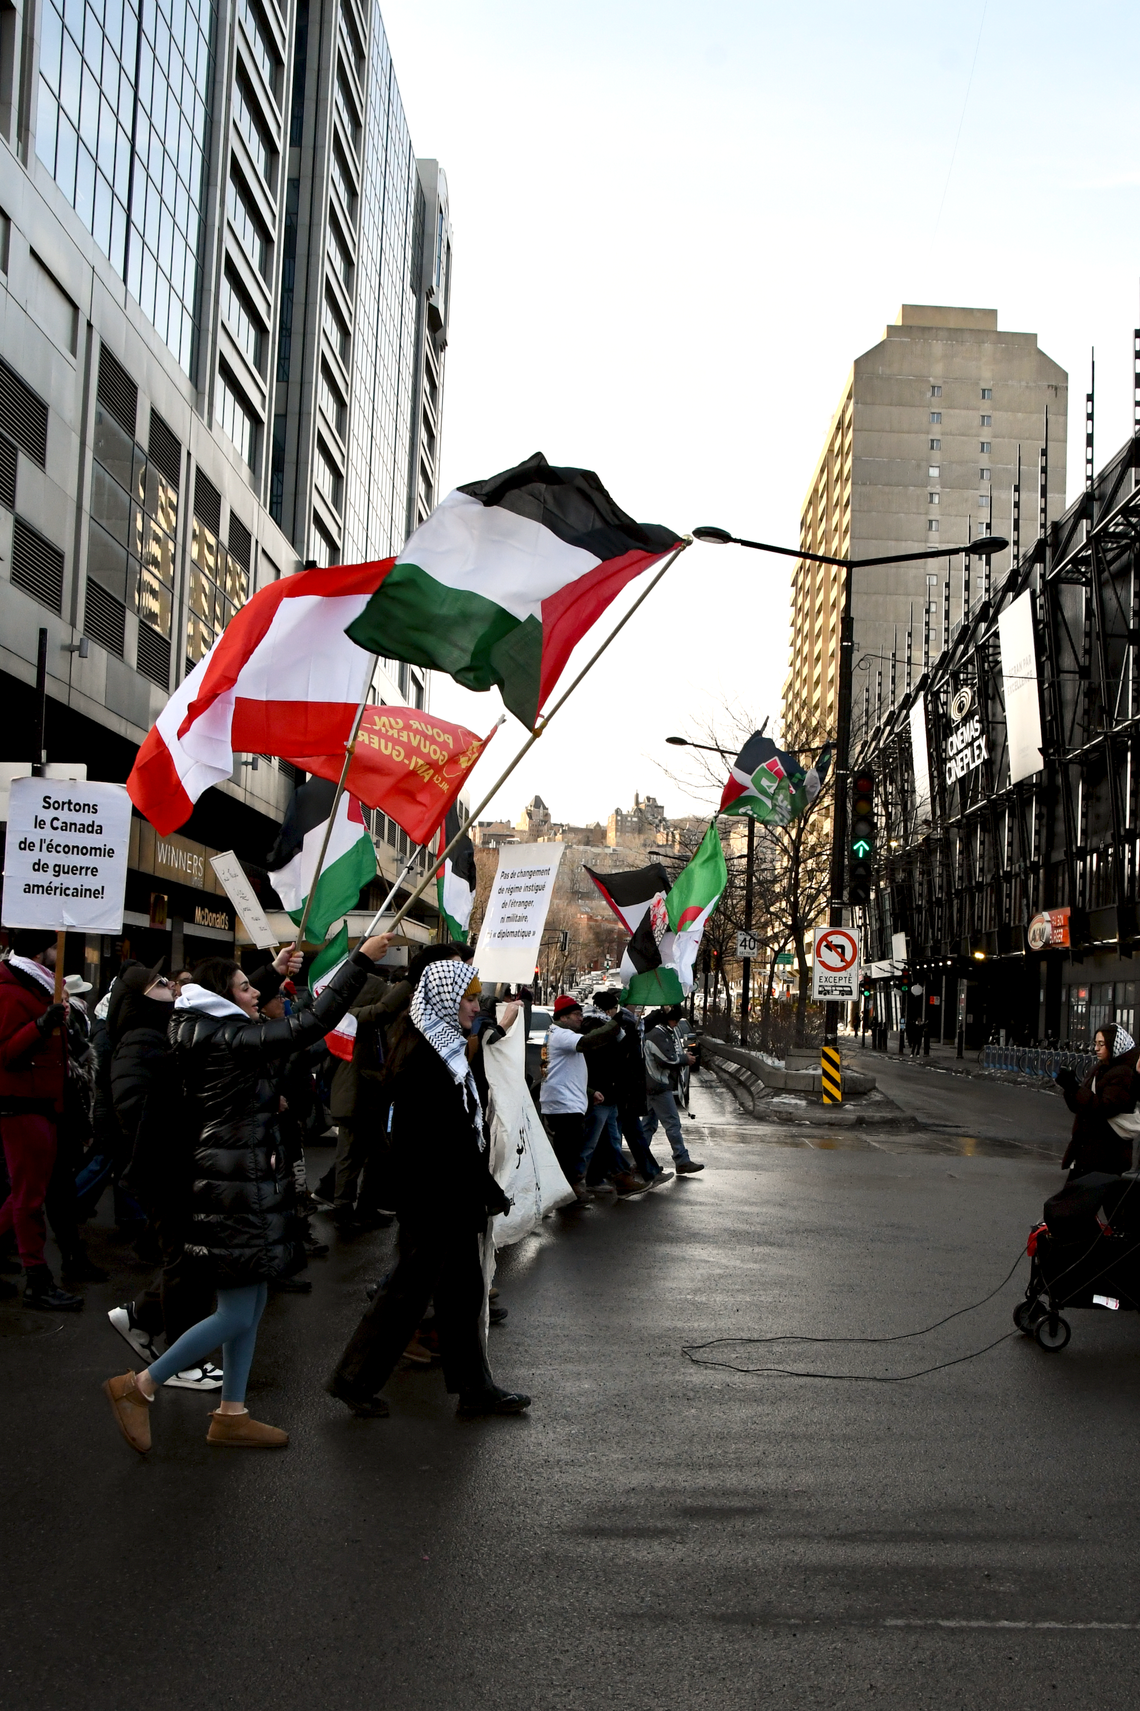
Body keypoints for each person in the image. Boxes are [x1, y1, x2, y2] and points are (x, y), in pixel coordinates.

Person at [101, 933, 392, 1455]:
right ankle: (138, 1387)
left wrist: (269, 971)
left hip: (240, 1181)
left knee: (251, 1305)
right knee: (236, 1310)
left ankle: (231, 1412)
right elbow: (311, 1024)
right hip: (228, 1190)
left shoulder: (212, 1027)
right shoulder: (221, 1038)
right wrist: (358, 963)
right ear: (223, 997)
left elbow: (237, 1001)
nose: (254, 993)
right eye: (244, 987)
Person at [325, 960, 529, 1420]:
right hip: (435, 1196)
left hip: (446, 1193)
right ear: (442, 999)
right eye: (469, 998)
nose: (475, 1007)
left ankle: (475, 1387)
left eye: (476, 999)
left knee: (461, 1292)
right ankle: (353, 1378)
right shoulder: (426, 1057)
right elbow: (442, 1138)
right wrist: (483, 1185)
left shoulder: (442, 1048)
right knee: (409, 1293)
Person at [105, 961, 222, 1390]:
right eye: (157, 985)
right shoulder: (139, 1040)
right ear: (137, 999)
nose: (169, 987)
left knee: (190, 1260)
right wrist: (172, 1141)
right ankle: (180, 1361)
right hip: (165, 1168)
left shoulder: (162, 1033)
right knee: (184, 1262)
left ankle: (141, 1316)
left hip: (175, 1164)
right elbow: (134, 1106)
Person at [0, 931, 82, 1310]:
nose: (59, 954)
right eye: (55, 947)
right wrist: (40, 1025)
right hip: (21, 1104)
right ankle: (37, 1278)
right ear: (41, 950)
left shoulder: (39, 988)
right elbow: (6, 1054)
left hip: (42, 1102)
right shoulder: (12, 991)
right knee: (28, 1197)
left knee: (24, 1194)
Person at [538, 995, 635, 1200]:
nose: (581, 1018)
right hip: (563, 1105)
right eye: (576, 1014)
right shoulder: (562, 1034)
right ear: (563, 1017)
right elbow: (589, 1041)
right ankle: (567, 1192)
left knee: (570, 1149)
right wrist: (617, 1021)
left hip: (564, 1102)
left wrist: (589, 1092)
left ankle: (569, 1189)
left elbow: (562, 1073)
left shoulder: (556, 1034)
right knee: (569, 1152)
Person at [582, 989, 671, 1188]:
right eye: (616, 1008)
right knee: (598, 1141)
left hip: (613, 1090)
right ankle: (618, 1177)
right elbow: (612, 1055)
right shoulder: (602, 1027)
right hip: (606, 1090)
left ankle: (601, 1178)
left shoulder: (609, 1025)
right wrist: (628, 1037)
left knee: (608, 1139)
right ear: (609, 1009)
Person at [1057, 1023, 1138, 1178]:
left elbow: (1105, 1108)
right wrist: (1069, 1088)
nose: (1096, 1048)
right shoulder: (1098, 1068)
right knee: (1071, 1200)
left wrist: (1075, 1089)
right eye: (1095, 1043)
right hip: (1087, 1152)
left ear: (1115, 1045)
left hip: (1107, 1154)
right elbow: (1079, 1106)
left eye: (1102, 1044)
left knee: (1071, 1201)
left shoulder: (1123, 1074)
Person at [643, 1005, 704, 1175]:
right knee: (672, 1123)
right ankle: (681, 1160)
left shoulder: (659, 1032)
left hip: (652, 1085)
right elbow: (665, 1059)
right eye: (675, 1020)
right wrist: (685, 1059)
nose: (676, 1024)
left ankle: (641, 1160)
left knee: (647, 1126)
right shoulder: (657, 1034)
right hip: (658, 1085)